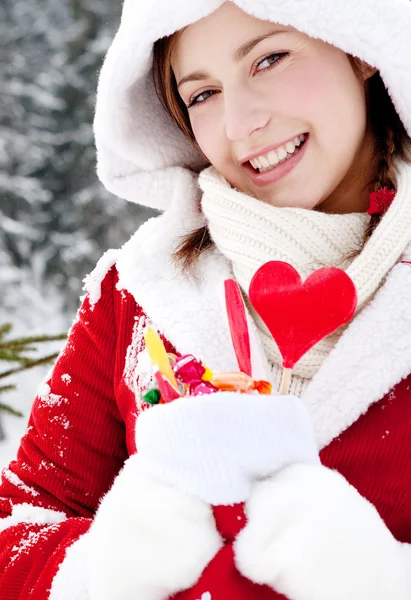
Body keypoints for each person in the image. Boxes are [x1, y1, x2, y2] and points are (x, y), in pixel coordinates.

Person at [1, 0, 411, 598]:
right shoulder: (141, 293)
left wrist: (382, 580)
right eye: (202, 94)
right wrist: (104, 568)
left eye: (270, 58)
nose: (239, 123)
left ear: (356, 47)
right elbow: (19, 521)